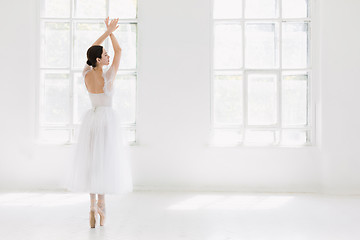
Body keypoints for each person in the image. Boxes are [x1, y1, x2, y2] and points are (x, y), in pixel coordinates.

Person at [65, 17, 133, 228]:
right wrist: (111, 33)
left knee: (92, 161)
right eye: (104, 55)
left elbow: (92, 50)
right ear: (98, 60)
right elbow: (120, 51)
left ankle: (92, 205)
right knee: (103, 162)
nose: (108, 56)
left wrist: (106, 32)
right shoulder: (109, 75)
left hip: (92, 119)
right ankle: (101, 207)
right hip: (106, 120)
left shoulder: (86, 73)